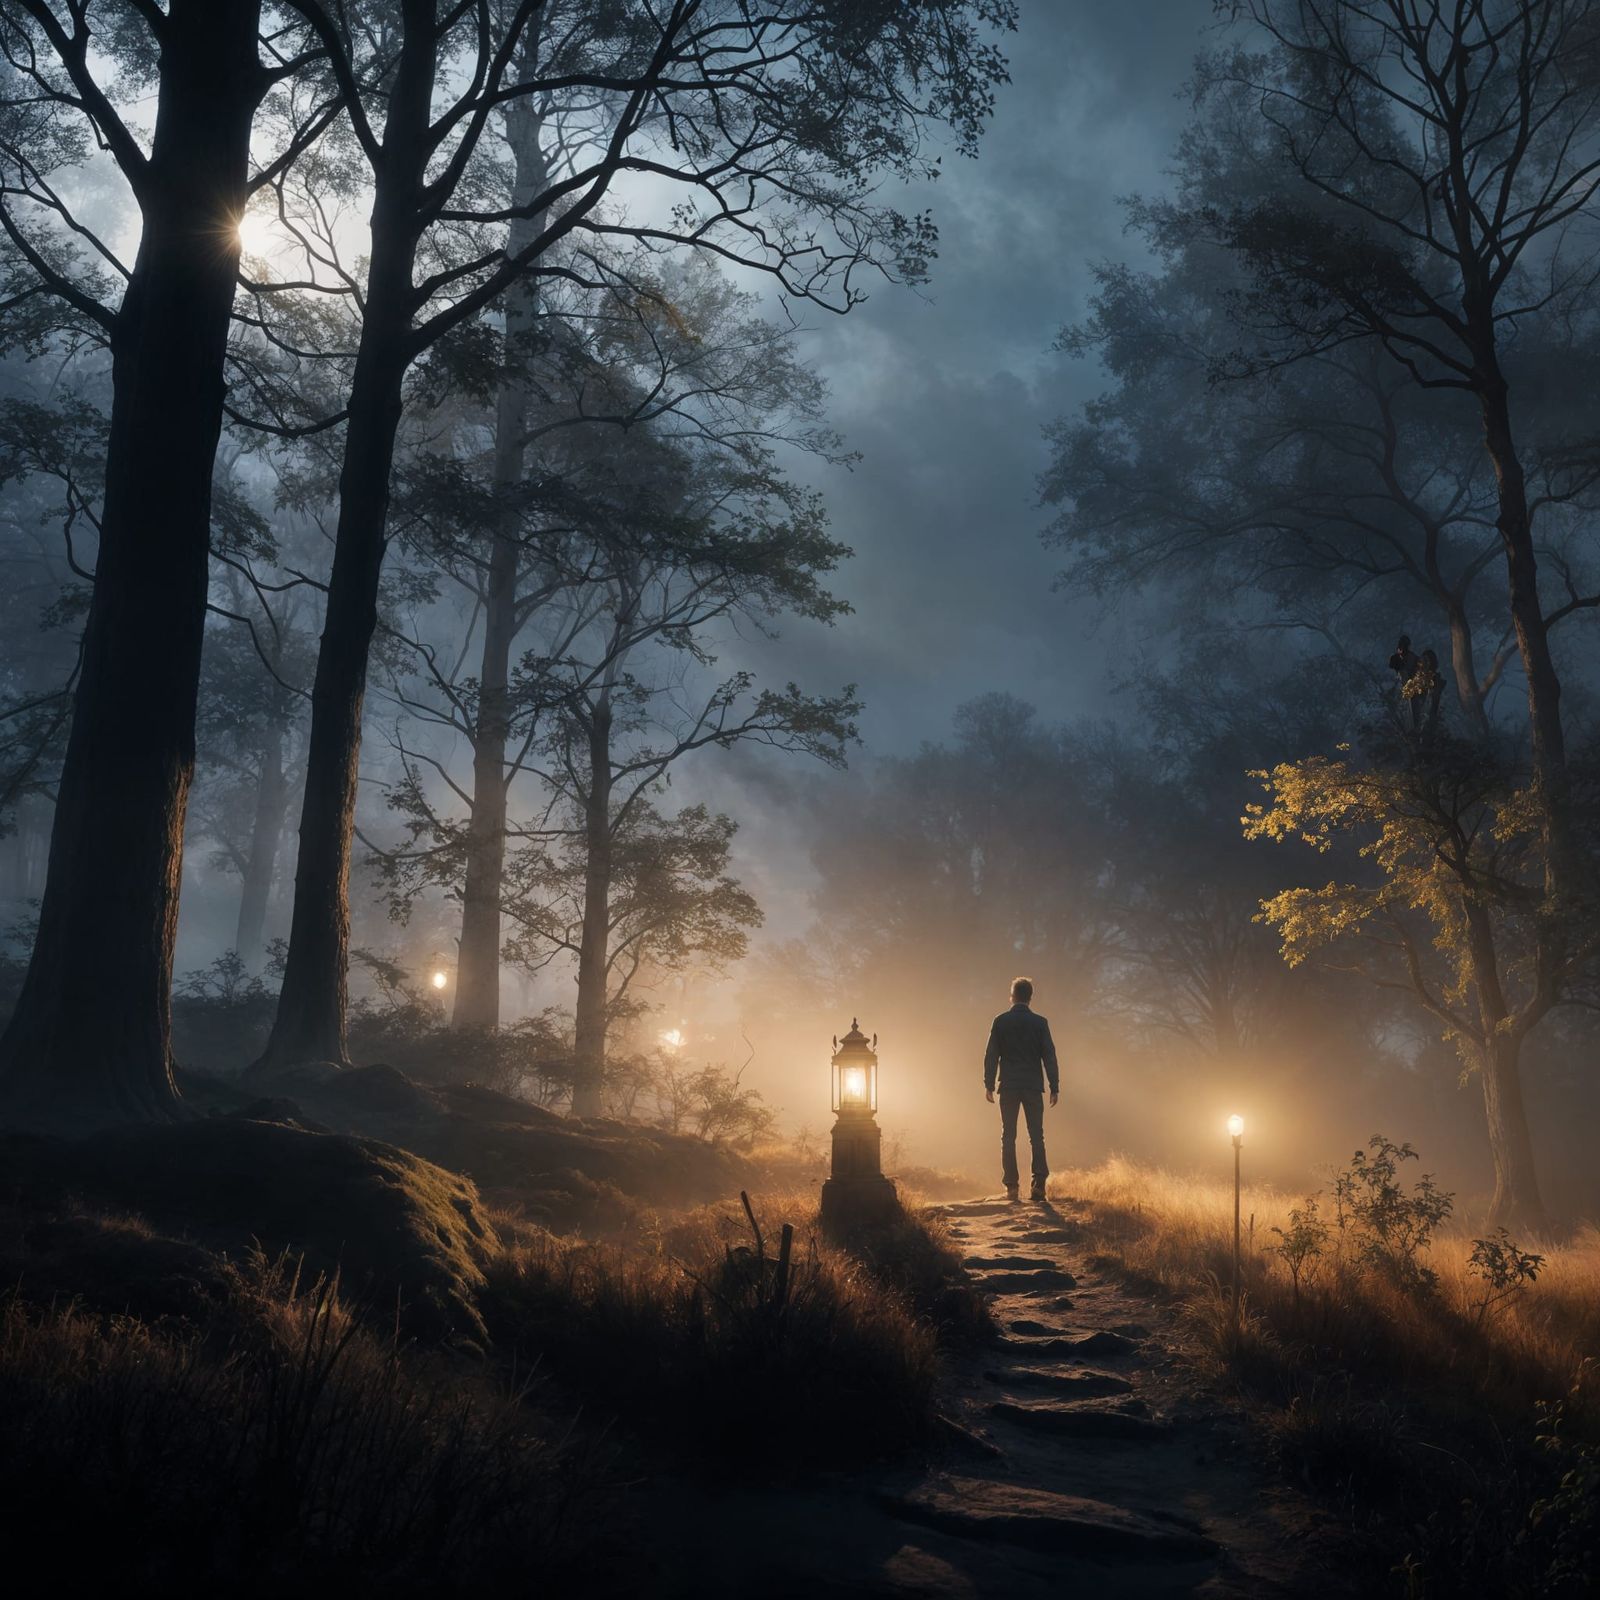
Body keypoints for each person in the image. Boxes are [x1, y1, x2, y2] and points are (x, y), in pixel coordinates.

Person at [983, 976, 1060, 1203]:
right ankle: (1038, 1185)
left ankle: (1012, 1187)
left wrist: (988, 1084)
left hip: (1008, 1086)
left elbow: (991, 1055)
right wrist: (1054, 1086)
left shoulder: (1000, 1021)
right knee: (1037, 1135)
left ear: (1012, 995)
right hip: (1033, 1086)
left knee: (1008, 1136)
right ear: (1030, 997)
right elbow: (1049, 1056)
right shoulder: (1040, 1023)